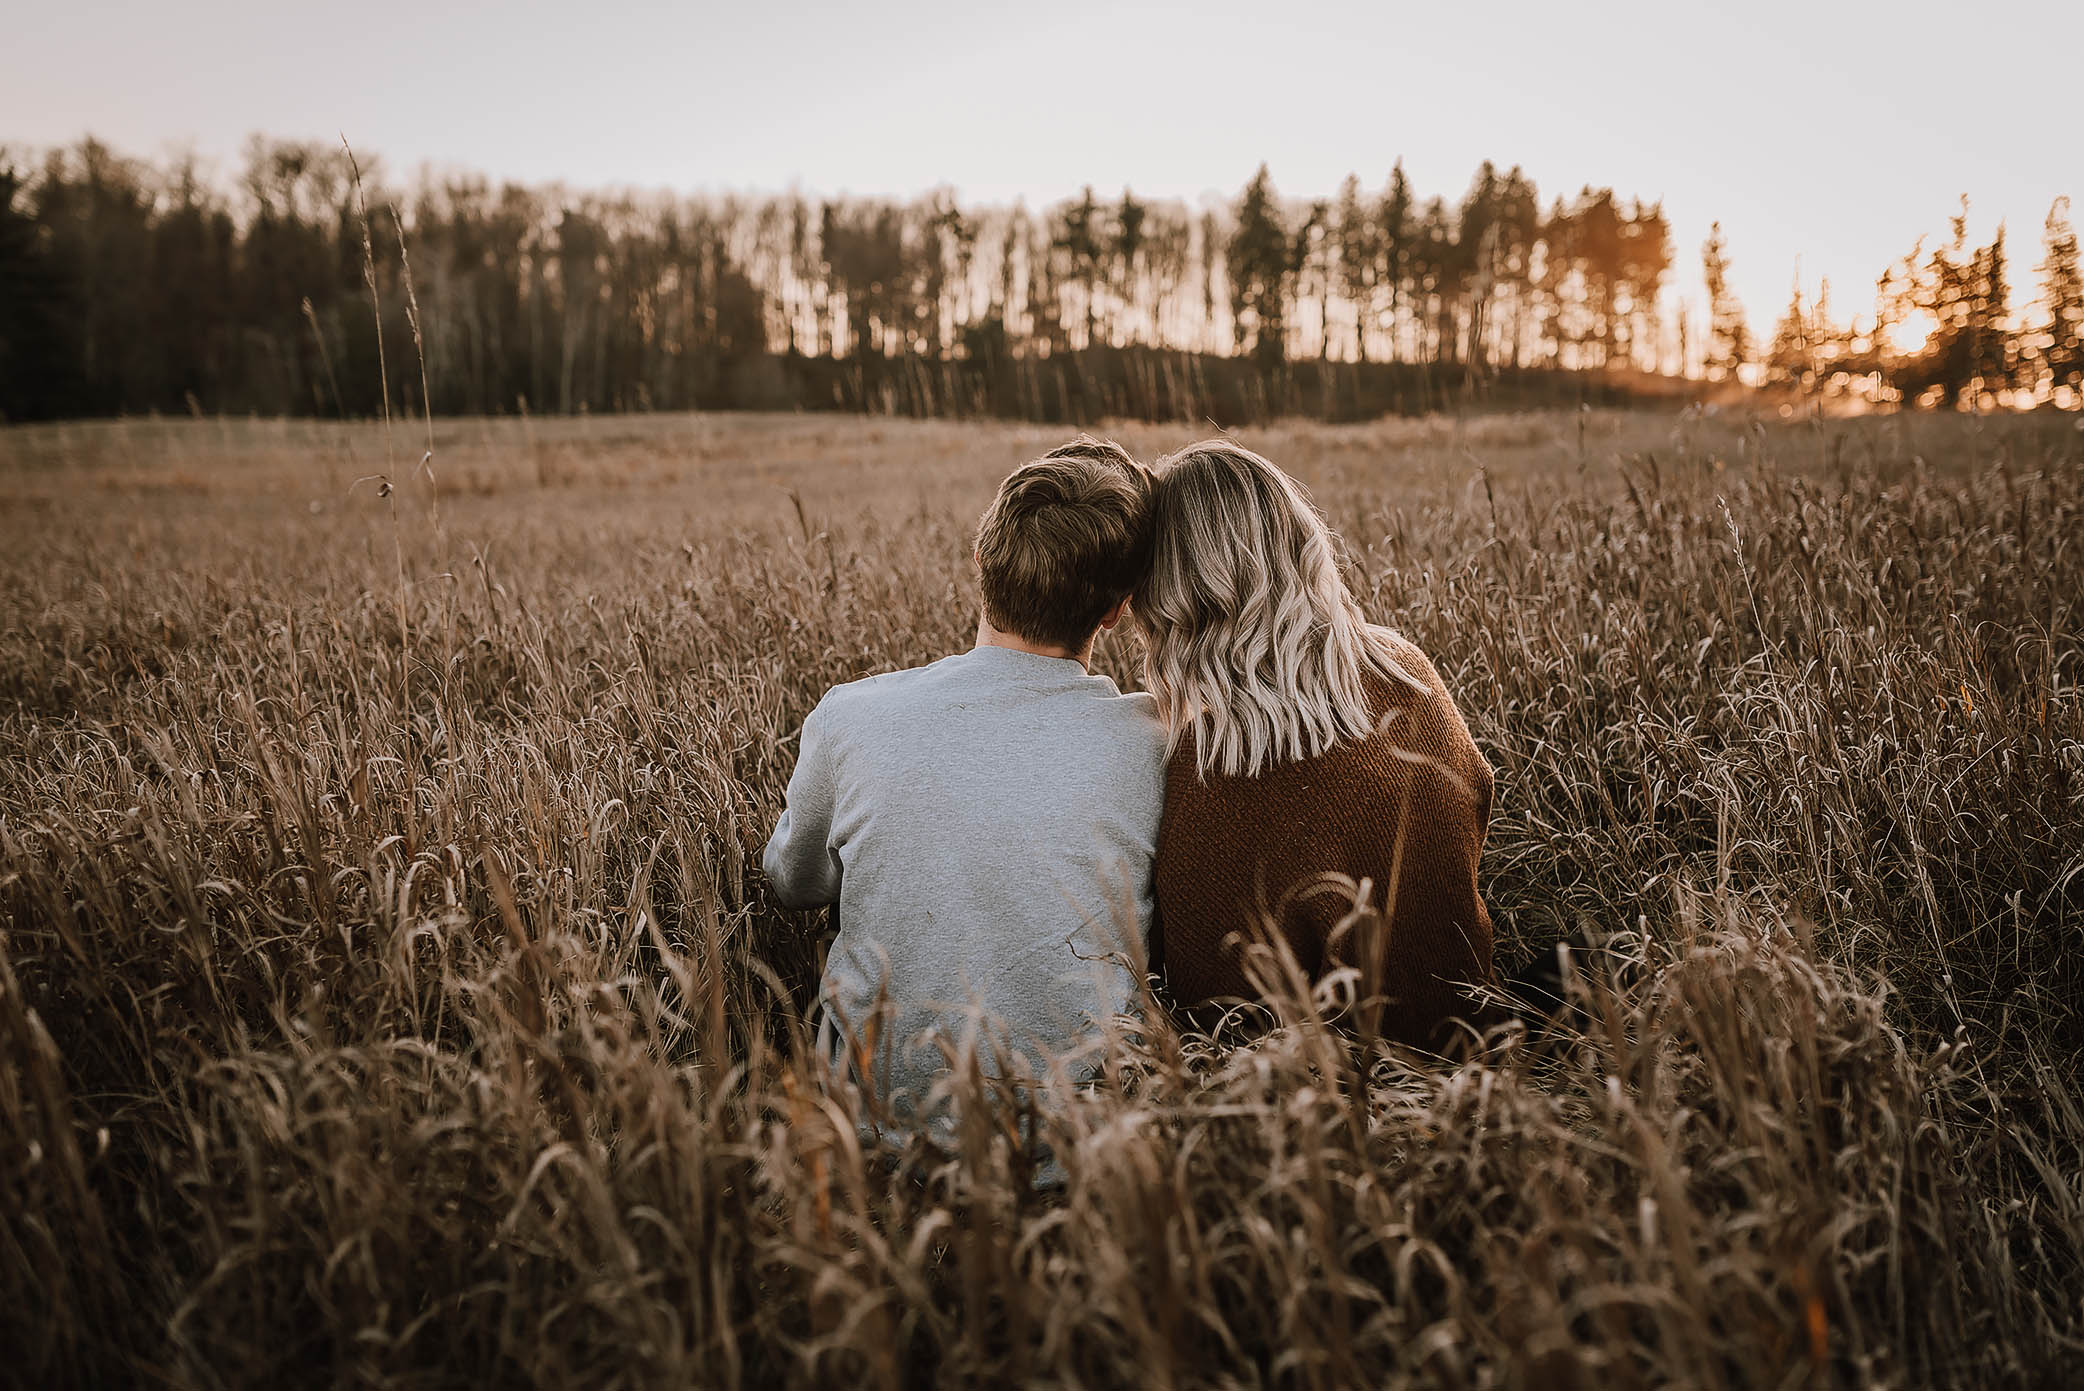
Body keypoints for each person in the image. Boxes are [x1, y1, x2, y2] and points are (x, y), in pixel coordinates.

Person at [762, 438, 1167, 1130]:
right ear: (1117, 610)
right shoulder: (1156, 744)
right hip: (1077, 1143)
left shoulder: (851, 716)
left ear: (980, 564)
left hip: (871, 1133)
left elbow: (791, 883)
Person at [1131, 439, 1496, 1049]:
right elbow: (1477, 797)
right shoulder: (1409, 675)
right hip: (1467, 1048)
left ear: (1171, 595)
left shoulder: (1199, 764)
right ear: (1301, 544)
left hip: (1311, 1101)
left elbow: (1206, 1001)